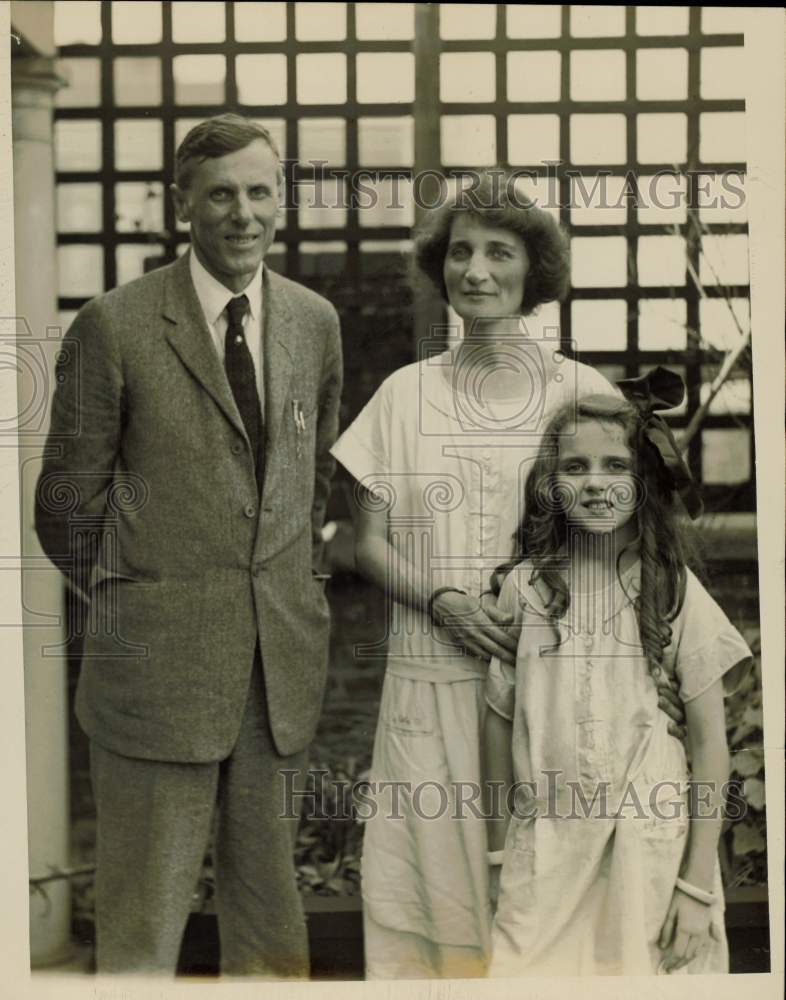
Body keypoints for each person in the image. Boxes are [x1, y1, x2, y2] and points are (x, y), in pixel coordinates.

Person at [331, 173, 685, 979]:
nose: (476, 271)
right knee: (433, 912)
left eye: (499, 252)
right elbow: (367, 545)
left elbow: (631, 547)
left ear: (536, 272)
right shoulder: (401, 395)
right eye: (460, 253)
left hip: (555, 696)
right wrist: (443, 601)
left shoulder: (582, 392)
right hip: (428, 685)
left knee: (549, 916)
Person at [34, 114, 343, 976]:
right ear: (183, 205)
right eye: (219, 194)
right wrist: (139, 600)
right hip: (156, 677)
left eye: (257, 191)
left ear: (280, 198)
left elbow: (312, 473)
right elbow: (64, 505)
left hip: (276, 669)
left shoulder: (314, 322)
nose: (242, 213)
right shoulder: (117, 324)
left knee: (271, 917)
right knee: (142, 925)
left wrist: (296, 585)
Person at [483, 372, 752, 976]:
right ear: (550, 486)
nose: (597, 483)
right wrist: (499, 853)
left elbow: (711, 745)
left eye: (615, 466)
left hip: (648, 857)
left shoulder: (673, 590)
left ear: (643, 483)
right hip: (545, 855)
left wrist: (697, 887)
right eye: (575, 468)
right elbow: (498, 723)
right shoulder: (526, 590)